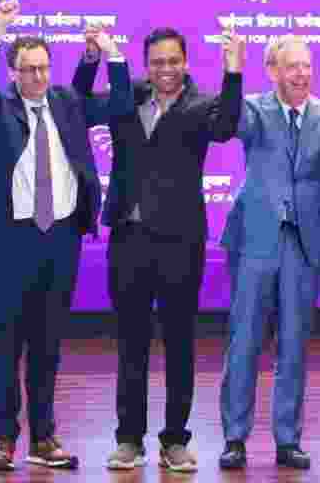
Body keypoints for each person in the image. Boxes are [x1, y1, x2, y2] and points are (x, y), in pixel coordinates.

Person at [0, 0, 133, 471]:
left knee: (47, 343)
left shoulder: (67, 102)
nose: (37, 77)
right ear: (14, 73)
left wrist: (109, 51)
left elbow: (120, 104)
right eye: (28, 70)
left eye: (42, 68)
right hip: (13, 239)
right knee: (6, 340)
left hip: (61, 239)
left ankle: (43, 437)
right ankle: (3, 438)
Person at [73, 26, 245, 471]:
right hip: (129, 241)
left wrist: (233, 70)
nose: (165, 69)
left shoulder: (203, 104)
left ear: (185, 62)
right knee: (131, 343)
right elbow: (79, 107)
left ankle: (174, 441)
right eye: (157, 62)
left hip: (180, 242)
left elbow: (227, 126)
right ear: (146, 64)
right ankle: (129, 439)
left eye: (173, 61)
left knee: (180, 343)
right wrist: (91, 60)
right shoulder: (127, 96)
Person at [219, 35, 318, 471]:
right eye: (291, 66)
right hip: (256, 238)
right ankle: (235, 438)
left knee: (294, 344)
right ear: (273, 71)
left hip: (303, 242)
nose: (301, 73)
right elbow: (229, 121)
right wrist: (233, 70)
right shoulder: (255, 109)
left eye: (306, 65)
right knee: (244, 341)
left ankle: (286, 440)